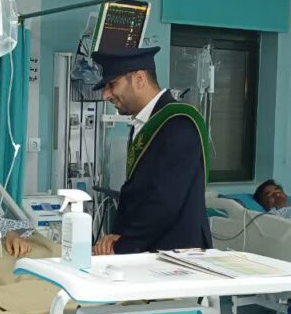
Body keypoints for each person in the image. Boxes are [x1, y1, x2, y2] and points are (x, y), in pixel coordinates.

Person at [90, 47, 212, 255]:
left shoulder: (179, 123)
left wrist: (123, 246)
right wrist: (116, 238)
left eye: (112, 84)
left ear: (139, 79)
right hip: (149, 251)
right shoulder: (143, 124)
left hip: (176, 255)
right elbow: (136, 195)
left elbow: (165, 201)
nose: (105, 95)